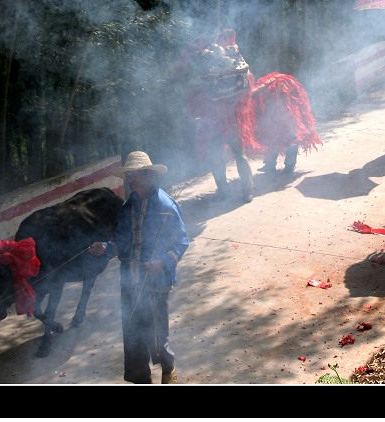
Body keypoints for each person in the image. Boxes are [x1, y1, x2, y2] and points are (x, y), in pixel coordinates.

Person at [88, 151, 189, 384]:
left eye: (138, 175)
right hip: (129, 282)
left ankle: (168, 368)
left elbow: (181, 241)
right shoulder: (126, 208)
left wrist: (162, 262)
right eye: (130, 175)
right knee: (132, 336)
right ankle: (140, 379)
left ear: (150, 175)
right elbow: (122, 245)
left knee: (156, 336)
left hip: (156, 284)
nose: (133, 179)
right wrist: (105, 247)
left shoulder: (166, 206)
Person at [181, 29, 258, 203]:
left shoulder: (206, 67)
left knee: (218, 157)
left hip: (216, 124)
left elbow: (195, 98)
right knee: (239, 155)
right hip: (231, 122)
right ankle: (247, 191)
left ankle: (225, 191)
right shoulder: (236, 61)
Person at [252, 72, 322, 174]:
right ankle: (270, 164)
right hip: (275, 108)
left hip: (290, 109)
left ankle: (289, 165)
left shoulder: (283, 90)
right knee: (272, 134)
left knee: (291, 135)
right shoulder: (263, 93)